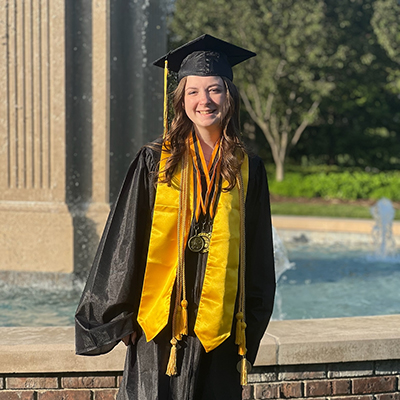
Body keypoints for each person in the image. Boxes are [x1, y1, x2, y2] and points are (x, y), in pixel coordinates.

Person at [75, 34, 276, 400]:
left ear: (229, 97)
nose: (205, 101)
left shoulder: (249, 169)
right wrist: (121, 317)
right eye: (194, 92)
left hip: (221, 319)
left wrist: (253, 316)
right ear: (180, 100)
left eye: (214, 90)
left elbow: (259, 250)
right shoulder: (156, 161)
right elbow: (126, 238)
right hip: (160, 318)